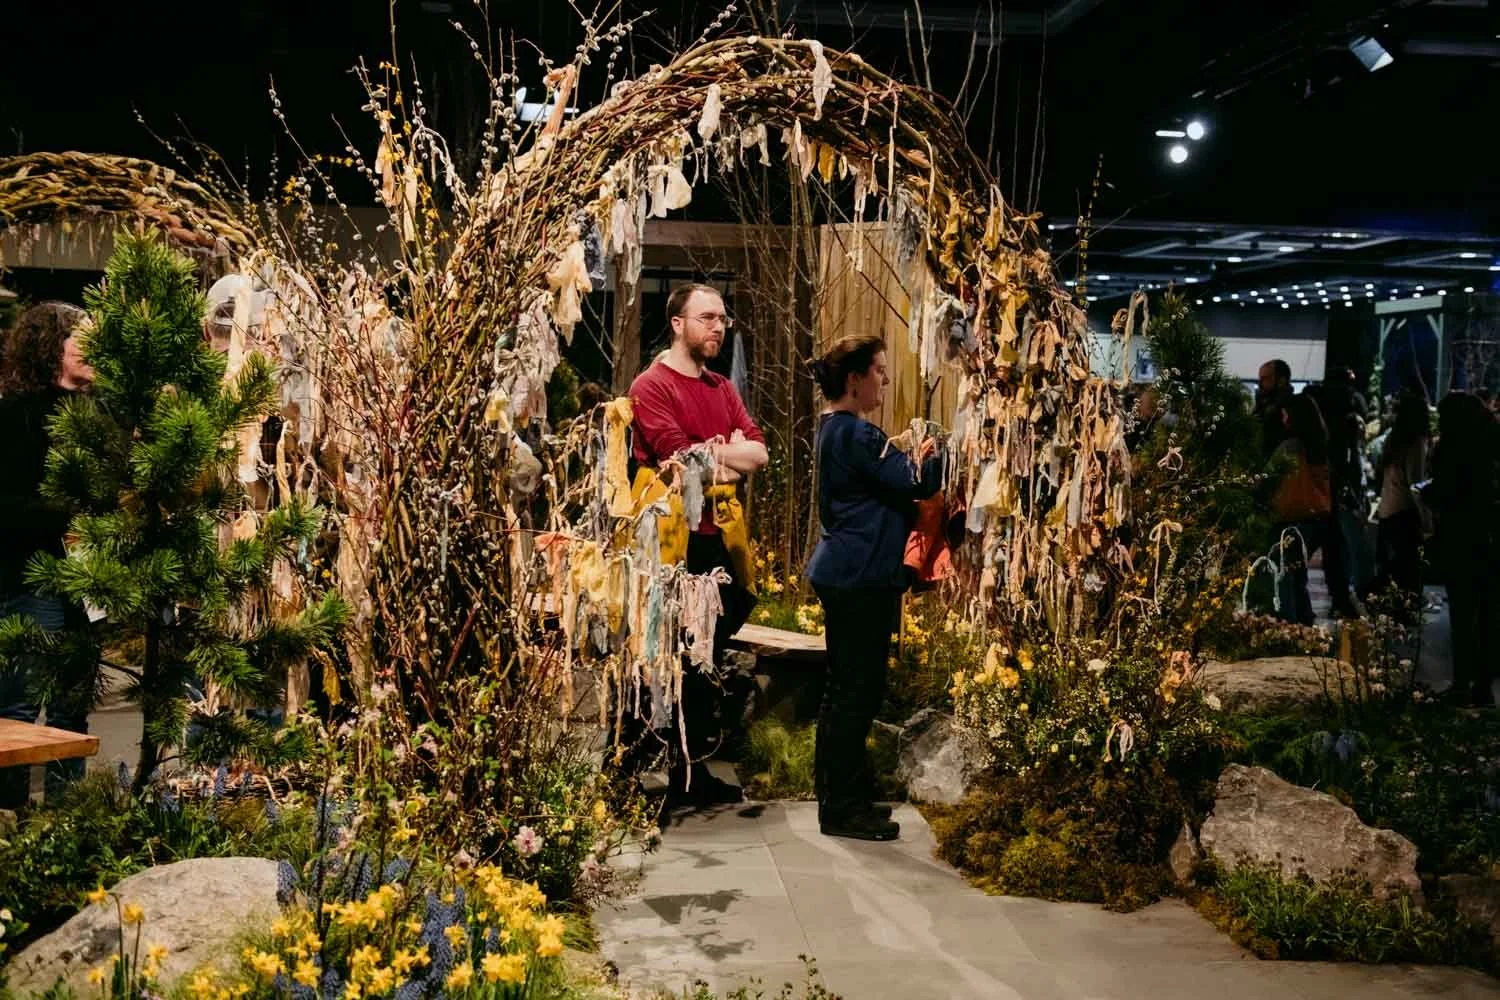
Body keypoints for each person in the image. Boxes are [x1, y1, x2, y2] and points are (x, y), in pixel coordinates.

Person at [627, 283, 768, 806]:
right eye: (707, 318)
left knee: (704, 656)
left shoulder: (721, 389)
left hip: (716, 541)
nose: (718, 327)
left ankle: (691, 770)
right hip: (670, 543)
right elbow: (677, 458)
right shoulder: (652, 385)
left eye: (723, 319)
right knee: (660, 655)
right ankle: (630, 766)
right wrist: (723, 454)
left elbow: (760, 451)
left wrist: (722, 455)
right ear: (678, 324)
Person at [806, 334, 942, 841]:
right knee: (855, 695)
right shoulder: (855, 435)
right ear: (855, 379)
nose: (885, 379)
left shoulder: (835, 431)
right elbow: (917, 483)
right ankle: (843, 809)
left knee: (845, 692)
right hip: (859, 576)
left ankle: (843, 800)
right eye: (880, 371)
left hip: (847, 572)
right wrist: (935, 456)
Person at [0, 301, 97, 808]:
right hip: (29, 580)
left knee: (72, 710)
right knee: (16, 712)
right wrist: (68, 514)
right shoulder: (14, 416)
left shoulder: (99, 417)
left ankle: (69, 824)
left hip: (85, 583)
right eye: (81, 335)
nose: (93, 346)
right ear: (50, 346)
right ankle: (9, 828)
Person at [1424, 393, 1498, 707]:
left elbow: (1443, 493)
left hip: (1462, 539)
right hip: (1493, 539)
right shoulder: (1492, 443)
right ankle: (1483, 685)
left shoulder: (1452, 448)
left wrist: (1428, 493)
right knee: (1490, 615)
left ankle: (1461, 683)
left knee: (1463, 614)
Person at [1268, 392, 1333, 626]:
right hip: (1315, 519)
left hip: (1289, 518)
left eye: (1286, 412)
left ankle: (1288, 627)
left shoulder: (1291, 446)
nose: (1282, 416)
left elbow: (1267, 479)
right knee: (1298, 574)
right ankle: (1304, 623)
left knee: (1283, 576)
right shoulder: (1319, 444)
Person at [1372, 391, 1429, 607]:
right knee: (1408, 567)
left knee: (1394, 566)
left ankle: (1387, 606)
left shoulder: (1393, 438)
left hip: (1388, 508)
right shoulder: (1416, 442)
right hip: (1405, 510)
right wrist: (1427, 520)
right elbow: (1417, 484)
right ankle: (1405, 609)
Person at [1256, 358, 1295, 453]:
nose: (1260, 384)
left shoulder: (1294, 406)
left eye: (1266, 378)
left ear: (1281, 380)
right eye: (1260, 379)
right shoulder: (1263, 405)